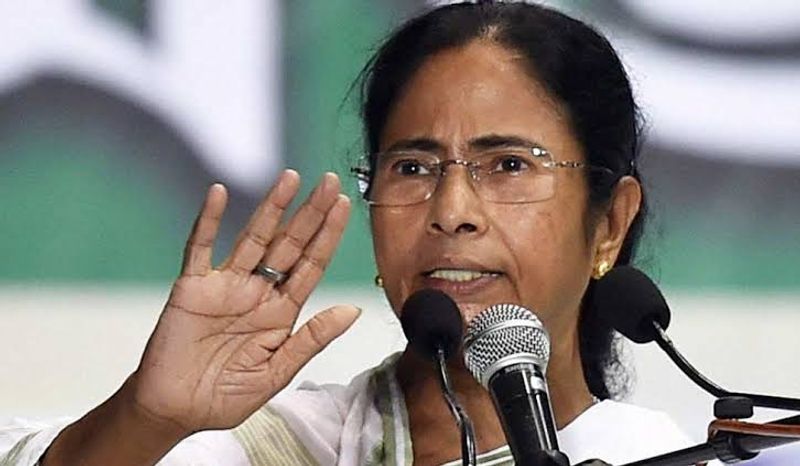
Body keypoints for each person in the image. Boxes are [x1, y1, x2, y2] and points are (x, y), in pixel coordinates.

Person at [1, 2, 696, 465]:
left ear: (609, 223)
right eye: (413, 167)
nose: (452, 209)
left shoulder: (649, 454)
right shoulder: (283, 447)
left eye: (509, 164)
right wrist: (150, 417)